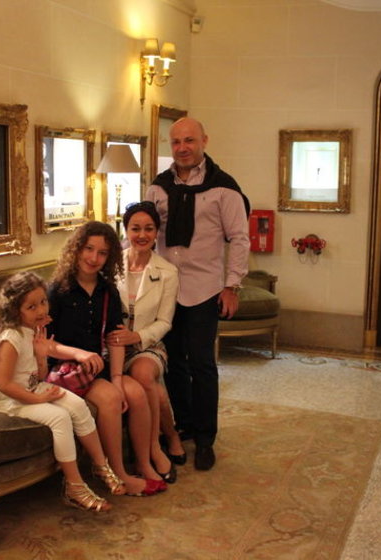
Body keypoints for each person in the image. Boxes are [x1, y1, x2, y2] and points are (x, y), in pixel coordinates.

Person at [145, 117, 250, 471]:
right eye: (176, 142)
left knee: (203, 365)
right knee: (173, 362)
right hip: (166, 290)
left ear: (204, 140)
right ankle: (184, 423)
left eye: (189, 140)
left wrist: (232, 286)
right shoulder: (158, 188)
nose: (182, 148)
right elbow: (146, 235)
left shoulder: (224, 188)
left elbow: (239, 239)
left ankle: (206, 439)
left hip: (205, 289)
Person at [0, 272, 124, 513]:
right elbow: (3, 385)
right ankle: (74, 486)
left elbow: (39, 374)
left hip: (32, 388)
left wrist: (42, 355)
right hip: (10, 400)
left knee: (78, 405)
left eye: (43, 302)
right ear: (15, 310)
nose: (41, 310)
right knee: (60, 417)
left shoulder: (34, 330)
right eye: (31, 307)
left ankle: (100, 465)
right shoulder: (10, 339)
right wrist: (38, 399)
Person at [47, 220, 167, 496]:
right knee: (112, 398)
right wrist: (80, 356)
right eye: (89, 249)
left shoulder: (107, 290)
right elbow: (44, 344)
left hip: (97, 367)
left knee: (135, 392)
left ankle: (143, 463)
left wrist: (117, 379)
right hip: (66, 370)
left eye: (102, 253)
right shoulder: (58, 290)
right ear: (77, 249)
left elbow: (115, 338)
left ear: (110, 256)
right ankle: (118, 473)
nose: (94, 258)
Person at [107, 201, 184, 484]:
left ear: (156, 232)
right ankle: (171, 435)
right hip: (111, 347)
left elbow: (165, 322)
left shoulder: (167, 271)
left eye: (148, 229)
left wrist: (138, 337)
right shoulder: (111, 264)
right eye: (135, 228)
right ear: (126, 231)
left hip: (148, 345)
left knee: (142, 373)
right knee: (155, 392)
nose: (142, 235)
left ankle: (153, 447)